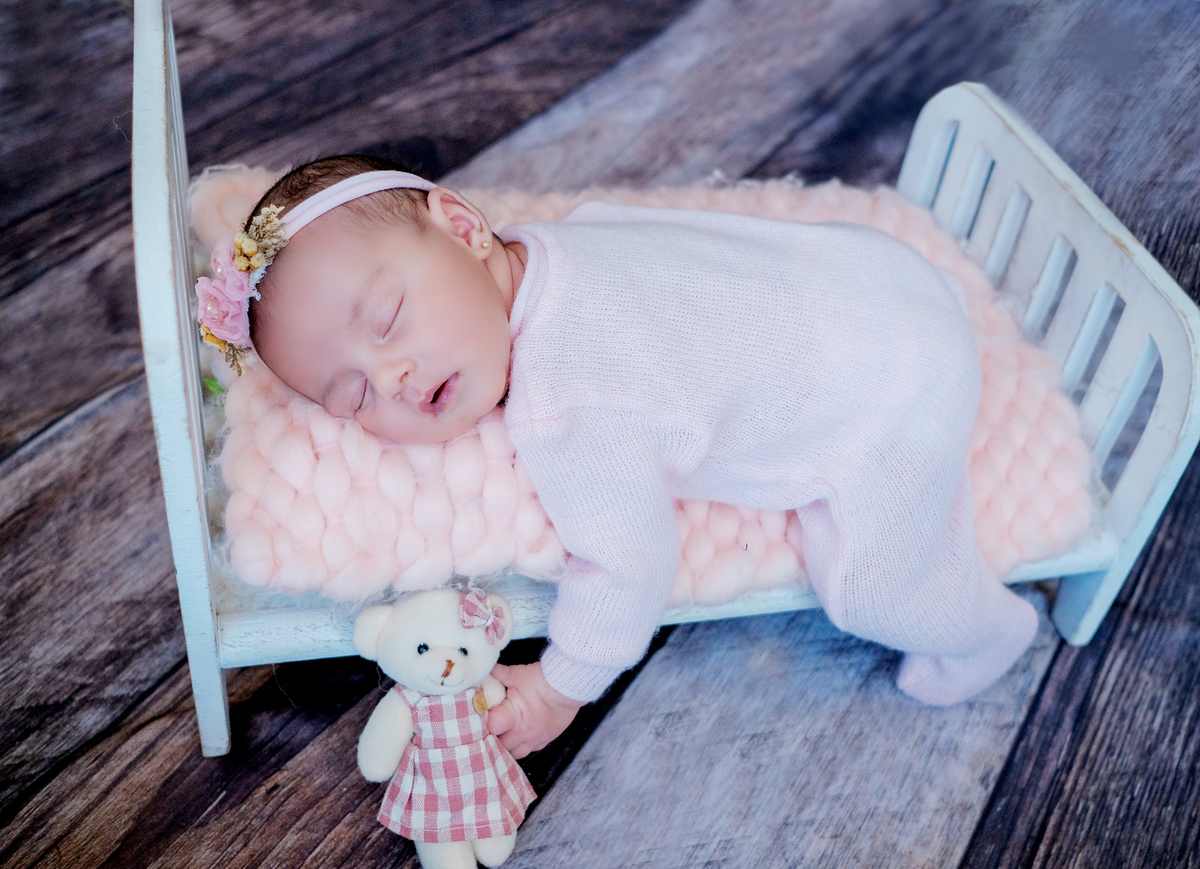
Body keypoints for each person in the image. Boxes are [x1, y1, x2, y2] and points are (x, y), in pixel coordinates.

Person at [196, 154, 1038, 760]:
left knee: (872, 584)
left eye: (387, 319)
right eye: (352, 396)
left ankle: (992, 630)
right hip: (877, 270)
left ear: (464, 225)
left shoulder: (569, 400)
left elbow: (630, 564)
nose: (392, 378)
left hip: (894, 391)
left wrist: (560, 685)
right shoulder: (560, 241)